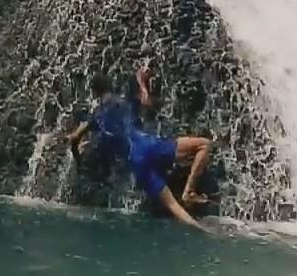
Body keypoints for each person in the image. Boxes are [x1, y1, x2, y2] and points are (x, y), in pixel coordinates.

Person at [66, 65, 212, 229]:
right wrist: (142, 81)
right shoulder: (122, 100)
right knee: (203, 145)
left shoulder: (96, 116)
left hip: (137, 163)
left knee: (174, 207)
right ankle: (189, 192)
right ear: (110, 85)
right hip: (150, 145)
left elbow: (74, 138)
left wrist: (78, 158)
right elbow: (146, 102)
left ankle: (202, 230)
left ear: (95, 93)